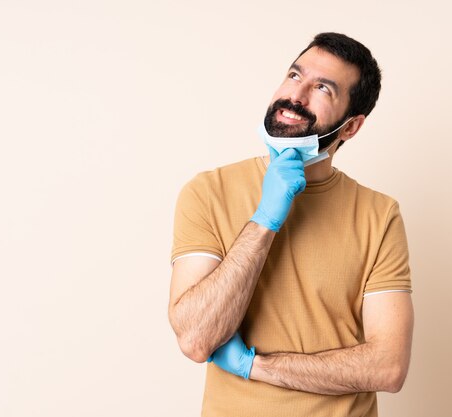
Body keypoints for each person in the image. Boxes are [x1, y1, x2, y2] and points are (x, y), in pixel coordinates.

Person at [168, 32, 414, 417]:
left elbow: (388, 366)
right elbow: (197, 338)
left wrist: (256, 366)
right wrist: (265, 221)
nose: (296, 97)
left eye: (322, 89)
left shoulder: (378, 214)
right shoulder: (208, 192)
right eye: (295, 76)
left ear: (350, 127)